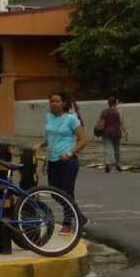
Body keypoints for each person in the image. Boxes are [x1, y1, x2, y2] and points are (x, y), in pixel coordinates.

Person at [37, 93, 87, 226]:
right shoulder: (49, 118)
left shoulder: (71, 119)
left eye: (57, 101)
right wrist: (40, 145)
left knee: (67, 192)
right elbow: (50, 139)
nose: (54, 103)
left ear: (64, 103)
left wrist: (70, 153)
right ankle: (79, 217)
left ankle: (67, 222)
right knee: (54, 193)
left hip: (68, 161)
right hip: (53, 160)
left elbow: (83, 140)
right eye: (51, 101)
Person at [97, 94, 126, 172]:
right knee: (117, 149)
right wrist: (125, 131)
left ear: (108, 103)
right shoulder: (118, 111)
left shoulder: (104, 111)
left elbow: (100, 122)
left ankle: (107, 164)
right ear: (115, 103)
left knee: (107, 148)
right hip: (116, 132)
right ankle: (118, 164)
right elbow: (121, 123)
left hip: (106, 132)